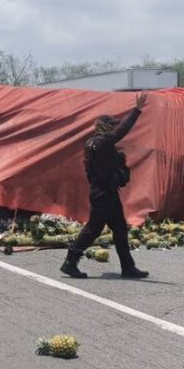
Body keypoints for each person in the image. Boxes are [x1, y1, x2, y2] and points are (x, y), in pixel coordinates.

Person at [61, 91, 150, 279]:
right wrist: (137, 110)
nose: (113, 130)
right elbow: (121, 132)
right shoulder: (101, 142)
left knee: (119, 229)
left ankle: (128, 267)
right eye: (110, 126)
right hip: (103, 194)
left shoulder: (94, 143)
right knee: (93, 229)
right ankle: (70, 262)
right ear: (102, 127)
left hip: (106, 193)